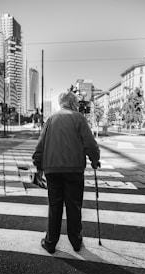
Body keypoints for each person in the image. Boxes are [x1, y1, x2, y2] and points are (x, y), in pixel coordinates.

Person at [32, 91, 100, 253]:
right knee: (74, 206)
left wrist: (38, 165)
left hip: (52, 170)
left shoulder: (51, 120)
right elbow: (90, 143)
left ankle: (50, 243)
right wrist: (94, 159)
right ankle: (75, 241)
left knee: (55, 206)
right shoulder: (79, 118)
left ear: (60, 103)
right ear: (73, 103)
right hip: (74, 170)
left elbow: (40, 146)